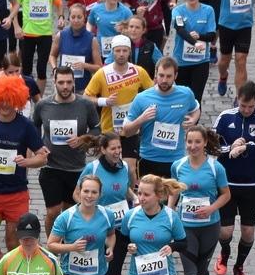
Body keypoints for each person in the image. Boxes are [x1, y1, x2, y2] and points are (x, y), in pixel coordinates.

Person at [212, 81, 255, 275]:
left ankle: (239, 267)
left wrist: (248, 146)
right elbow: (210, 145)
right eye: (243, 106)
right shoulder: (225, 117)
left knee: (248, 231)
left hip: (251, 185)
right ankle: (224, 253)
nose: (246, 110)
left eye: (250, 106)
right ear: (237, 99)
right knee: (225, 231)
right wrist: (230, 148)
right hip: (226, 184)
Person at [0, 76, 47, 252]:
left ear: (17, 101)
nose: (5, 104)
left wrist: (27, 162)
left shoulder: (26, 125)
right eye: (2, 100)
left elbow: (43, 157)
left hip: (16, 192)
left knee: (13, 242)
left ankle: (10, 268)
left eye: (10, 100)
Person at [171, 125, 227, 275]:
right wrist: (170, 213)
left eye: (197, 142)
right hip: (185, 227)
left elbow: (226, 195)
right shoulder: (178, 166)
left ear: (205, 143)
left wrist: (211, 209)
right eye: (189, 142)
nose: (193, 146)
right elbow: (174, 192)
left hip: (210, 226)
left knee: (202, 271)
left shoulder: (215, 167)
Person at [80, 133, 134, 275]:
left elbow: (126, 190)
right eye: (113, 148)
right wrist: (88, 213)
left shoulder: (125, 167)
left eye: (119, 147)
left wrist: (136, 198)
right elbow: (77, 194)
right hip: (98, 229)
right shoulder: (92, 169)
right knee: (95, 270)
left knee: (114, 272)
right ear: (103, 150)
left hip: (119, 228)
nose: (117, 151)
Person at [32, 66, 93, 234]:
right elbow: (34, 126)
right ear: (54, 83)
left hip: (76, 167)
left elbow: (97, 129)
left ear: (74, 83)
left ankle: (66, 243)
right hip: (51, 167)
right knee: (53, 212)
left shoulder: (85, 104)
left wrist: (82, 139)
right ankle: (51, 244)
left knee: (69, 211)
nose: (65, 86)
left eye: (68, 82)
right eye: (61, 82)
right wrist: (39, 146)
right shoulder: (43, 105)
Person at [83, 35, 151, 179]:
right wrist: (104, 101)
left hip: (131, 128)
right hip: (109, 128)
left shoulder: (139, 71)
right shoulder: (102, 73)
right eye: (118, 51)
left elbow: (153, 92)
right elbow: (86, 96)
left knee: (130, 170)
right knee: (108, 168)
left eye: (124, 51)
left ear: (129, 52)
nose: (121, 54)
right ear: (112, 52)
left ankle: (130, 194)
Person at [122, 57, 196, 181]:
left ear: (176, 75)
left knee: (174, 194)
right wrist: (141, 119)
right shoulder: (142, 98)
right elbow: (127, 131)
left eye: (169, 76)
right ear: (155, 74)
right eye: (161, 75)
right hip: (148, 158)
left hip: (176, 159)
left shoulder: (186, 94)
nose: (164, 80)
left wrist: (193, 120)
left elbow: (196, 109)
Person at [14, 0, 63, 88]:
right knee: (26, 69)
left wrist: (61, 17)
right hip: (27, 33)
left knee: (42, 70)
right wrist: (16, 26)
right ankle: (26, 96)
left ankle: (39, 99)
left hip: (45, 33)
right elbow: (14, 6)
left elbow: (58, 3)